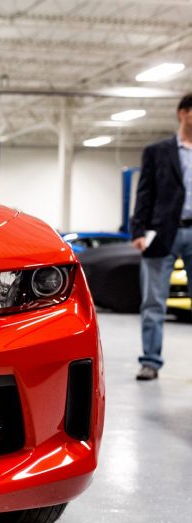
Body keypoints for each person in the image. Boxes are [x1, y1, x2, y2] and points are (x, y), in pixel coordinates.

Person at [130, 92, 192, 381]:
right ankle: (150, 361)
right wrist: (138, 231)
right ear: (183, 113)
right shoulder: (158, 151)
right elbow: (144, 193)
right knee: (153, 301)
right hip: (161, 233)